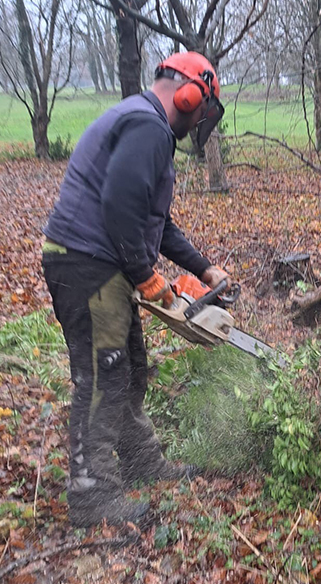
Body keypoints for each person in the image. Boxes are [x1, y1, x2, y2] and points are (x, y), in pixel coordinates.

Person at [41, 52, 229, 528]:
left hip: (97, 263)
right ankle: (91, 495)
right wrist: (146, 276)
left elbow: (156, 223)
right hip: (87, 264)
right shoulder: (148, 127)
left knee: (129, 367)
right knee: (104, 375)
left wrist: (204, 271)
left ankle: (142, 460)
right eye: (201, 108)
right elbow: (119, 206)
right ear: (190, 94)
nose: (198, 120)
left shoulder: (144, 125)